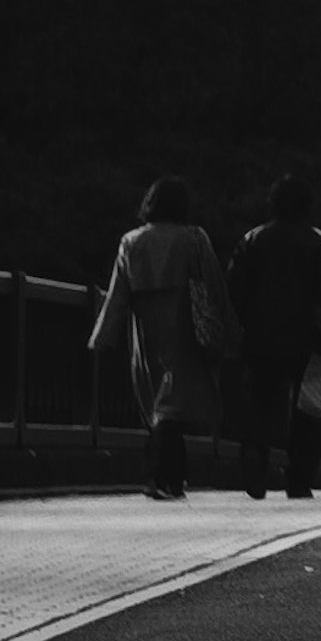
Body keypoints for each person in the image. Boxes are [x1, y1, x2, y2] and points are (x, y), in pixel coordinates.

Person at [91, 177, 241, 502]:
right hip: (184, 324)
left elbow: (118, 293)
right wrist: (230, 329)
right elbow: (214, 284)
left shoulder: (131, 242)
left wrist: (104, 334)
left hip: (146, 328)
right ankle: (166, 476)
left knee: (160, 402)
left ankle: (166, 476)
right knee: (173, 403)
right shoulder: (193, 239)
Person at [225, 170, 321, 503]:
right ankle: (299, 477)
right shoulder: (319, 243)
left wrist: (242, 327)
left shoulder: (252, 240)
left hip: (260, 337)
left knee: (261, 402)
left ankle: (255, 455)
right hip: (307, 341)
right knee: (307, 410)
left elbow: (233, 289)